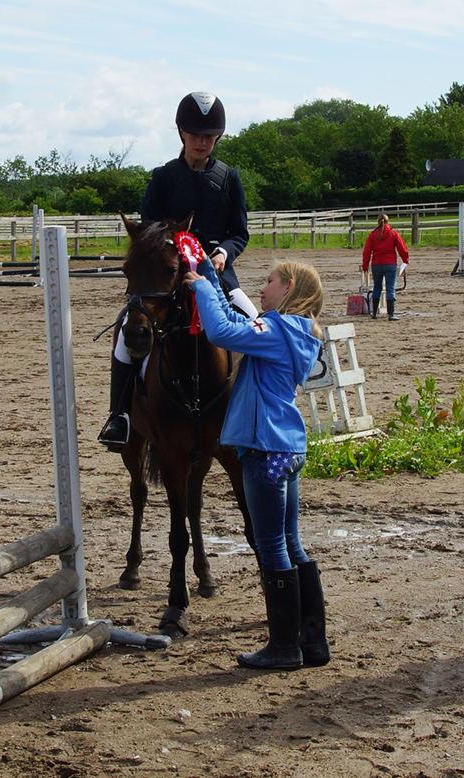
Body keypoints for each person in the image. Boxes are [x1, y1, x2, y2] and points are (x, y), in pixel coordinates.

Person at [185, 256, 330, 671]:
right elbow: (237, 321)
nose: (262, 289)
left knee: (271, 546)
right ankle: (311, 641)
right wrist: (212, 278)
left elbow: (220, 331)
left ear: (289, 288)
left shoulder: (278, 329)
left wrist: (200, 288)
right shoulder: (296, 331)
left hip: (264, 448)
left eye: (270, 281)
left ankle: (283, 647)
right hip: (287, 446)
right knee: (291, 542)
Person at [99, 91, 256, 451]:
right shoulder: (164, 177)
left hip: (217, 276)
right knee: (125, 335)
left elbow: (240, 233)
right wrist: (171, 248)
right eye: (196, 135)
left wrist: (222, 253)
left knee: (255, 321)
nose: (203, 142)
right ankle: (120, 416)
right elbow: (148, 228)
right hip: (167, 278)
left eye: (210, 136)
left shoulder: (229, 178)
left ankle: (256, 411)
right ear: (182, 133)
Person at [361, 214, 409, 321]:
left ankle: (374, 313)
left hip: (376, 264)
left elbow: (366, 252)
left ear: (378, 222)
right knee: (390, 288)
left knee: (377, 287)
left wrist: (365, 266)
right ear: (388, 221)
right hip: (390, 264)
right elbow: (402, 248)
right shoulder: (393, 233)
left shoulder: (373, 234)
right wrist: (405, 260)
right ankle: (390, 314)